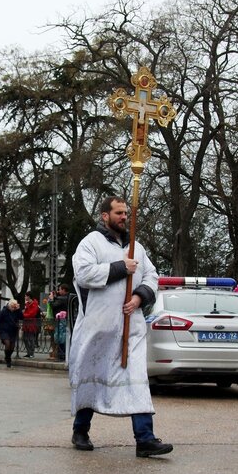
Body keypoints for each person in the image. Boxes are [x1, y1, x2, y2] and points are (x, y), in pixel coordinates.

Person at [69, 196, 172, 458]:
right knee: (91, 378)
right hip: (99, 328)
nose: (124, 217)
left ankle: (145, 439)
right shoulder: (90, 243)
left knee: (137, 381)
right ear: (105, 216)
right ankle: (81, 430)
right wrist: (119, 268)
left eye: (126, 212)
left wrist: (139, 297)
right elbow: (83, 273)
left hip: (131, 327)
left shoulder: (137, 247)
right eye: (118, 213)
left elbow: (151, 275)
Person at [0, 299, 22, 368]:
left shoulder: (16, 311)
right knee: (7, 343)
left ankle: (7, 356)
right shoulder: (4, 311)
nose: (13, 309)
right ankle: (8, 359)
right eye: (12, 307)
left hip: (13, 331)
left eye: (14, 307)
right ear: (9, 306)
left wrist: (19, 309)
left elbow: (22, 317)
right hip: (4, 330)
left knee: (12, 347)